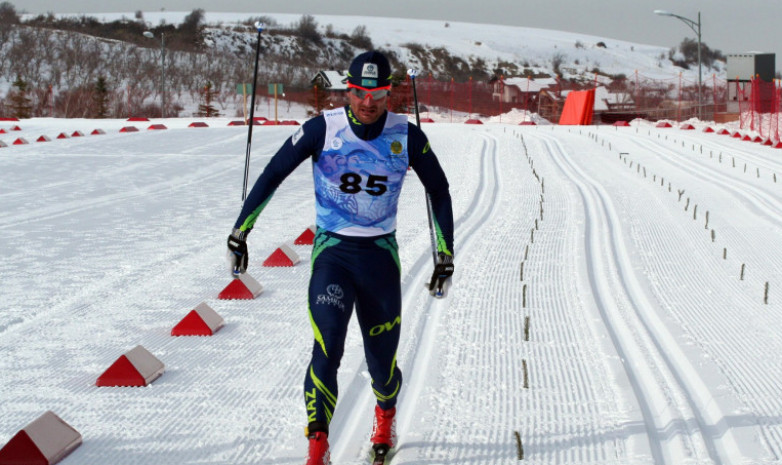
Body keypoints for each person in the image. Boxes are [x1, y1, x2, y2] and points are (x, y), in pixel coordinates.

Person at [226, 50, 454, 465]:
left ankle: (385, 416)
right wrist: (241, 231)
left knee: (381, 366)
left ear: (390, 93)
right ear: (347, 90)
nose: (368, 103)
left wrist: (445, 255)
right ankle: (317, 448)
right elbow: (273, 173)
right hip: (333, 254)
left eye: (379, 94)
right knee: (327, 346)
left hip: (380, 259)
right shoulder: (321, 130)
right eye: (359, 93)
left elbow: (438, 190)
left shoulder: (407, 136)